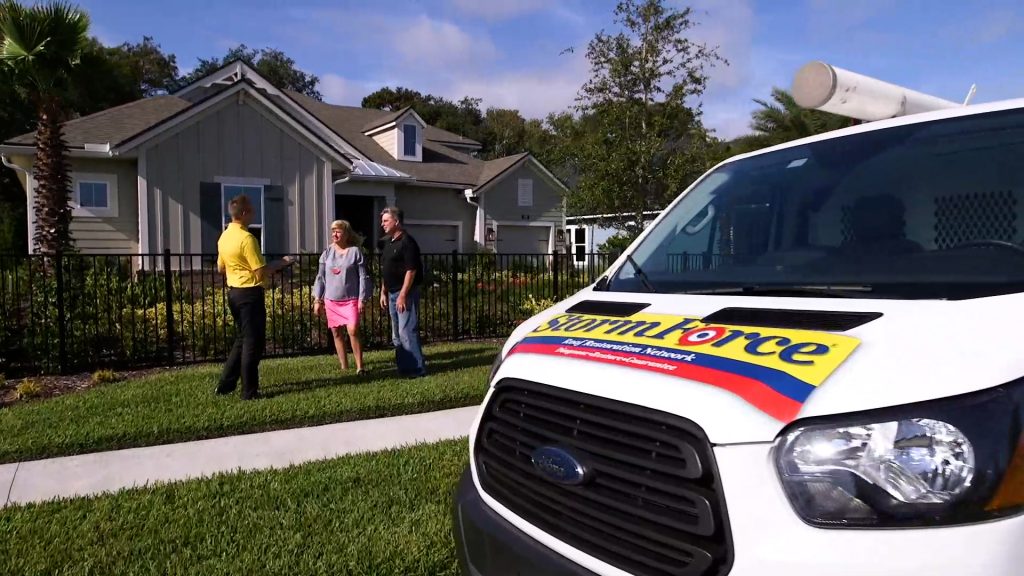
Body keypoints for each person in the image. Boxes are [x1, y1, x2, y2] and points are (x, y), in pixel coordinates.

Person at [215, 194, 294, 400]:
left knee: (242, 339)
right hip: (250, 294)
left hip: (234, 293)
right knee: (253, 343)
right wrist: (284, 262)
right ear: (243, 213)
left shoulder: (224, 237)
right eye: (251, 210)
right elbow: (260, 271)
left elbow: (220, 268)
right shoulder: (247, 239)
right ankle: (249, 392)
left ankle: (225, 384)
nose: (254, 213)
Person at [313, 220, 372, 375]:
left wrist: (362, 298)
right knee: (336, 333)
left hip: (351, 299)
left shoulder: (355, 252)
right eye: (333, 231)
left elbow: (363, 277)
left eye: (338, 231)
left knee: (352, 330)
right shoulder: (327, 253)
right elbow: (321, 277)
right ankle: (344, 366)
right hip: (331, 300)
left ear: (346, 234)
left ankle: (360, 367)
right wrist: (317, 299)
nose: (335, 234)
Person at [378, 206, 427, 378]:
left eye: (386, 221)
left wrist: (403, 295)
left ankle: (417, 369)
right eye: (382, 221)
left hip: (404, 293)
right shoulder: (389, 242)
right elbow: (387, 269)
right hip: (391, 292)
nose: (382, 224)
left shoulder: (407, 242)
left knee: (406, 331)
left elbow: (411, 270)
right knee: (397, 335)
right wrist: (383, 291)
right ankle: (403, 368)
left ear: (396, 221)